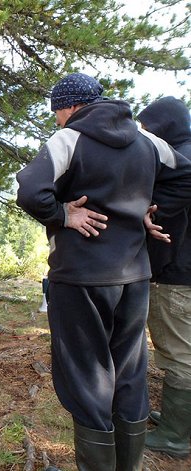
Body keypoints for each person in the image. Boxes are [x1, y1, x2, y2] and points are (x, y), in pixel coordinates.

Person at [16, 73, 191, 471]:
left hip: (80, 278)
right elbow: (186, 173)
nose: (56, 118)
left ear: (72, 106)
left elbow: (29, 191)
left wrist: (63, 213)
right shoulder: (147, 141)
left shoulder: (69, 139)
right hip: (134, 277)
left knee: (86, 377)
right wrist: (152, 209)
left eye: (56, 109)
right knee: (129, 372)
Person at [138, 96, 191, 459]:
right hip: (182, 270)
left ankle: (175, 434)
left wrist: (147, 206)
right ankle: (177, 420)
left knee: (178, 352)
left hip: (177, 273)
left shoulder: (182, 160)